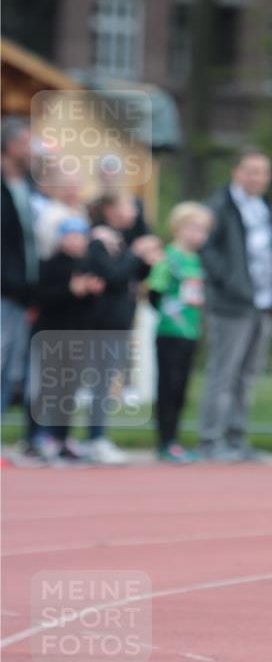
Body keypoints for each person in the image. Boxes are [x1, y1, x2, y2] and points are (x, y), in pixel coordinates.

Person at [199, 147, 272, 462]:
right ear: (236, 172)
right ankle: (210, 440)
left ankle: (237, 438)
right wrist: (229, 279)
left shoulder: (266, 205)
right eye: (251, 170)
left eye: (263, 172)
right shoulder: (220, 205)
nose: (257, 177)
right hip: (232, 302)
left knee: (247, 374)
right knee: (223, 372)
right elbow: (206, 247)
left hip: (263, 300)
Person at [85, 191, 162, 464]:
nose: (134, 211)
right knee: (98, 383)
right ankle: (91, 439)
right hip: (101, 322)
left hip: (120, 320)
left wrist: (145, 260)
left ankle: (96, 437)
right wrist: (135, 254)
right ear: (109, 209)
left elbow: (133, 274)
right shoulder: (99, 240)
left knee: (106, 383)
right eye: (128, 205)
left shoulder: (122, 238)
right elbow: (114, 276)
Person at [30, 217, 105, 464]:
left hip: (77, 337)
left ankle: (62, 439)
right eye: (68, 235)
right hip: (51, 335)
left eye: (78, 236)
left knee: (68, 390)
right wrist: (70, 291)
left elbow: (91, 307)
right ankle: (39, 438)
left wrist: (90, 292)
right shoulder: (49, 265)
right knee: (46, 387)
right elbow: (42, 298)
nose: (73, 241)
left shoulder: (87, 266)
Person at [148, 202, 213, 463]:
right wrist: (169, 314)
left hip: (190, 331)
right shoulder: (168, 258)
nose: (200, 235)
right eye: (194, 228)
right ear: (179, 228)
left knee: (182, 388)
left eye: (203, 230)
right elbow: (154, 291)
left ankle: (174, 439)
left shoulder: (196, 259)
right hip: (169, 331)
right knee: (168, 386)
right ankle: (165, 442)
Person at [1, 117, 39, 415]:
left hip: (21, 293)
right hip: (4, 289)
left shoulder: (28, 186)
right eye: (27, 143)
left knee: (9, 369)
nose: (32, 150)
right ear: (11, 146)